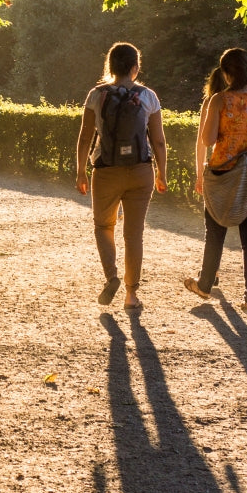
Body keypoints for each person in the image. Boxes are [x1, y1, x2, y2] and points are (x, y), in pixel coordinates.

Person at [184, 48, 247, 312]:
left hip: (224, 175)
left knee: (215, 233)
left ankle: (205, 284)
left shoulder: (219, 100)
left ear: (226, 74)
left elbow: (207, 140)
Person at [74, 42, 169, 309]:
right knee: (134, 234)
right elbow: (159, 141)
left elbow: (85, 138)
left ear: (110, 67)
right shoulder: (148, 96)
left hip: (106, 171)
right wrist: (162, 172)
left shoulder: (96, 94)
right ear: (135, 68)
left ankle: (111, 277)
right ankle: (131, 294)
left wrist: (81, 171)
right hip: (141, 171)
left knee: (104, 226)